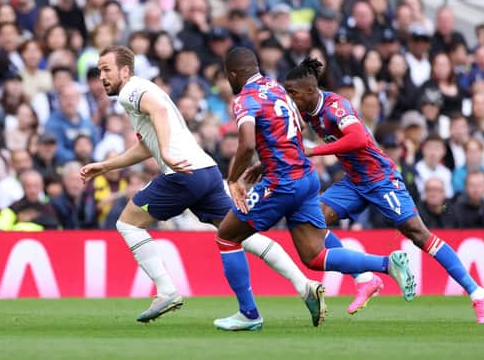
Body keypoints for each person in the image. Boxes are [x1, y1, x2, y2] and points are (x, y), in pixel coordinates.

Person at [81, 45, 324, 325]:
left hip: (182, 174)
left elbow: (158, 111)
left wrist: (169, 155)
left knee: (128, 224)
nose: (101, 76)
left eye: (106, 69)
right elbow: (148, 145)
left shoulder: (130, 90)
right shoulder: (143, 89)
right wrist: (107, 166)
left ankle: (166, 292)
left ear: (125, 70)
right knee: (238, 233)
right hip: (205, 171)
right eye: (99, 70)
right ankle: (304, 286)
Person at [213, 48, 414, 332]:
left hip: (282, 182)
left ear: (232, 75)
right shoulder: (276, 88)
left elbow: (245, 144)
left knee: (226, 237)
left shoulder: (244, 99)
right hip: (306, 177)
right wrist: (264, 163)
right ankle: (386, 264)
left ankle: (249, 314)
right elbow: (285, 133)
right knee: (314, 256)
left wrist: (234, 180)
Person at [283, 57, 484, 324]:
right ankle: (365, 280)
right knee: (316, 219)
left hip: (380, 178)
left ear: (311, 91)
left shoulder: (336, 107)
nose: (290, 98)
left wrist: (314, 150)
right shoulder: (305, 110)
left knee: (419, 234)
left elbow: (359, 137)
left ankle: (478, 293)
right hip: (355, 181)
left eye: (293, 93)